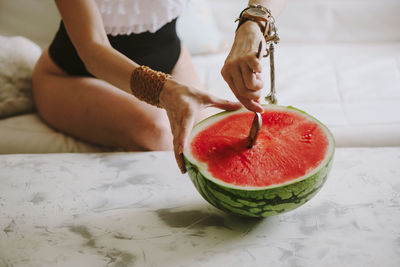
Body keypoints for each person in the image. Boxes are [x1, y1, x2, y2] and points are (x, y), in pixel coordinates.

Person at [32, 0, 287, 173]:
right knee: (157, 131)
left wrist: (252, 25)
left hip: (171, 63)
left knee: (221, 139)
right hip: (69, 78)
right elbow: (92, 50)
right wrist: (164, 91)